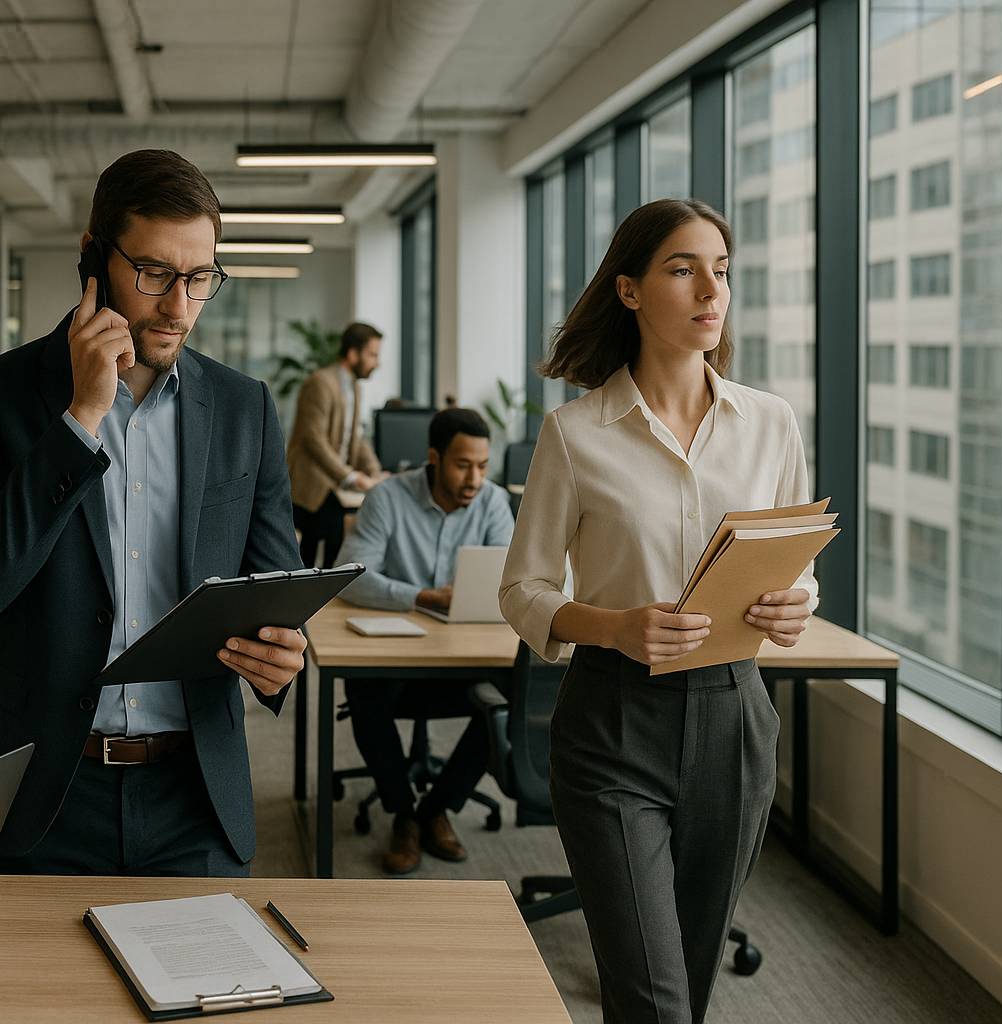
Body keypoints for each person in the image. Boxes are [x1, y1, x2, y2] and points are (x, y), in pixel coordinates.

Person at [0, 149, 308, 877]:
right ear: (93, 259)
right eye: (156, 274)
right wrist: (79, 421)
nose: (179, 307)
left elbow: (274, 585)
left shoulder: (244, 408)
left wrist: (281, 655)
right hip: (46, 789)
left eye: (201, 279)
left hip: (194, 791)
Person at [499, 198, 817, 1024]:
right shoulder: (575, 432)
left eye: (721, 269)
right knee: (653, 997)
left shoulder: (771, 423)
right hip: (613, 720)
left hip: (735, 719)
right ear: (631, 291)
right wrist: (612, 624)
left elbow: (797, 564)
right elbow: (523, 589)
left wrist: (794, 605)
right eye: (684, 269)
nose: (712, 289)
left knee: (693, 981)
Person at [336, 407, 514, 874]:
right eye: (462, 465)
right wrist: (420, 596)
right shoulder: (388, 499)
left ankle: (437, 807)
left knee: (512, 691)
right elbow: (351, 577)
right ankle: (402, 812)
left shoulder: (493, 502)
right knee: (363, 688)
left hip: (463, 660)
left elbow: (509, 582)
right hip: (396, 660)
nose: (475, 478)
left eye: (482, 465)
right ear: (434, 458)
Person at [286, 322, 387, 567]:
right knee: (329, 538)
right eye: (372, 354)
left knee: (335, 538)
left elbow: (357, 437)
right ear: (353, 354)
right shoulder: (320, 383)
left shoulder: (353, 387)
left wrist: (374, 471)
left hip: (334, 485)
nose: (377, 362)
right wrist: (351, 477)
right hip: (311, 485)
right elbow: (314, 440)